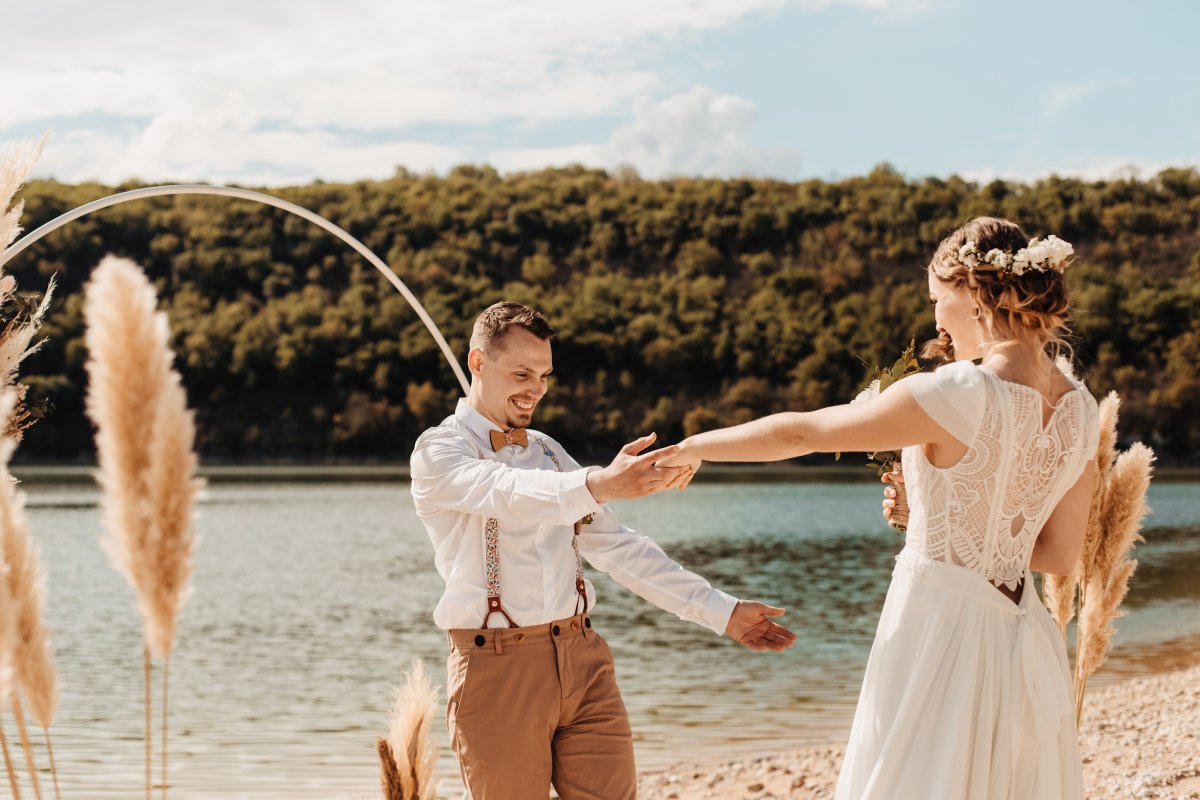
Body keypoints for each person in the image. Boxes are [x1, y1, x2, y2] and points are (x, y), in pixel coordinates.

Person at [658, 217, 1098, 799]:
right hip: (1022, 632)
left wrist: (693, 447)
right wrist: (934, 517)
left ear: (974, 293)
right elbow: (1059, 555)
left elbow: (804, 433)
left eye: (938, 299)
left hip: (936, 624)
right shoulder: (1081, 410)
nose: (936, 319)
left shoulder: (958, 393)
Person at [409, 301, 796, 800]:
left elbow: (620, 549)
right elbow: (506, 491)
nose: (536, 390)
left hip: (584, 659)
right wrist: (600, 482)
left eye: (545, 375)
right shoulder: (439, 452)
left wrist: (722, 612)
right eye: (522, 373)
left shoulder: (549, 451)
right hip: (496, 670)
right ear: (478, 363)